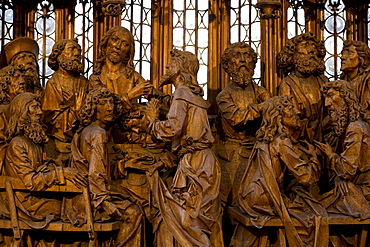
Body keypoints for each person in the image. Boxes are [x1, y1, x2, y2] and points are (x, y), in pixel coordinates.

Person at [143, 49, 224, 247]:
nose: (167, 67)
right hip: (202, 163)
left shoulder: (181, 93)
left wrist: (152, 120)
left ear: (180, 68)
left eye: (171, 64)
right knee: (193, 221)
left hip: (196, 165)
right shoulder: (187, 94)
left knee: (187, 222)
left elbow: (172, 128)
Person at [231, 96, 328, 247]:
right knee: (315, 214)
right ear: (279, 116)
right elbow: (306, 178)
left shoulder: (265, 138)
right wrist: (315, 159)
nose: (297, 112)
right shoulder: (281, 141)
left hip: (251, 196)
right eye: (290, 109)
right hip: (265, 199)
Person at [71, 87, 144, 246]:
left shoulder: (90, 130)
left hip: (88, 195)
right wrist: (104, 202)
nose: (109, 107)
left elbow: (96, 167)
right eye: (103, 103)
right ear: (93, 107)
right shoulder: (98, 133)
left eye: (111, 102)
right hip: (90, 199)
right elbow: (94, 174)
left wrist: (122, 166)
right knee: (135, 214)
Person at [3, 93, 87, 226]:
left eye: (39, 108)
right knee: (73, 210)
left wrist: (51, 169)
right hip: (25, 203)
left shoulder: (37, 142)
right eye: (34, 108)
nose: (40, 112)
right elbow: (30, 181)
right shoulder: (17, 144)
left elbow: (44, 169)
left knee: (77, 205)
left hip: (40, 197)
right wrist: (62, 173)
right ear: (22, 112)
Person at [314, 80, 370, 245]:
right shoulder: (350, 127)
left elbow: (347, 169)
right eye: (325, 98)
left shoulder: (355, 128)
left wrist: (330, 156)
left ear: (346, 98)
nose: (327, 104)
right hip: (355, 187)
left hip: (363, 192)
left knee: (315, 212)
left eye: (331, 96)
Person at [215, 42, 271, 205]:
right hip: (232, 156)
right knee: (235, 202)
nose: (242, 61)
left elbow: (272, 121)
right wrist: (262, 106)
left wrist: (258, 139)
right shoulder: (224, 96)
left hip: (257, 152)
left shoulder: (261, 92)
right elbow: (236, 119)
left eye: (247, 56)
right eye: (237, 56)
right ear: (227, 65)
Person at [41, 39, 88, 166]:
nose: (76, 53)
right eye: (71, 49)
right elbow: (49, 118)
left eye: (78, 50)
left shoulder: (84, 82)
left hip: (81, 137)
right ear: (59, 55)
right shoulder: (53, 83)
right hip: (58, 139)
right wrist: (75, 110)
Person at [277, 32, 328, 141]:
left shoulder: (323, 81)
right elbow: (287, 117)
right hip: (300, 138)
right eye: (303, 54)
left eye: (313, 53)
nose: (310, 57)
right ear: (293, 57)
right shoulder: (288, 83)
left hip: (325, 135)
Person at [89, 26, 153, 109]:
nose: (118, 46)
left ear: (129, 52)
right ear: (105, 44)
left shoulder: (134, 77)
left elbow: (156, 97)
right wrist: (130, 95)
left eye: (125, 44)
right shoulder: (96, 79)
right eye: (115, 40)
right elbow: (105, 108)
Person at [340, 40, 370, 106]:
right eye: (343, 53)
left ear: (361, 58)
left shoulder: (367, 80)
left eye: (350, 53)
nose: (342, 57)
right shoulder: (342, 82)